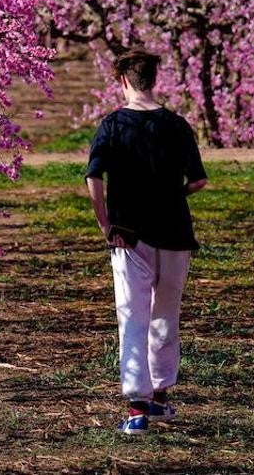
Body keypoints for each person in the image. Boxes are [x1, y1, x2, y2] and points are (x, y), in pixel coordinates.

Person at [84, 48, 208, 435]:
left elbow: (94, 176)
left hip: (128, 235)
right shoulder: (177, 124)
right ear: (154, 80)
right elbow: (199, 180)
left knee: (133, 317)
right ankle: (160, 400)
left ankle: (136, 409)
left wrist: (105, 221)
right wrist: (171, 196)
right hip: (175, 234)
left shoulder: (113, 125)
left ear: (122, 81)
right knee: (165, 317)